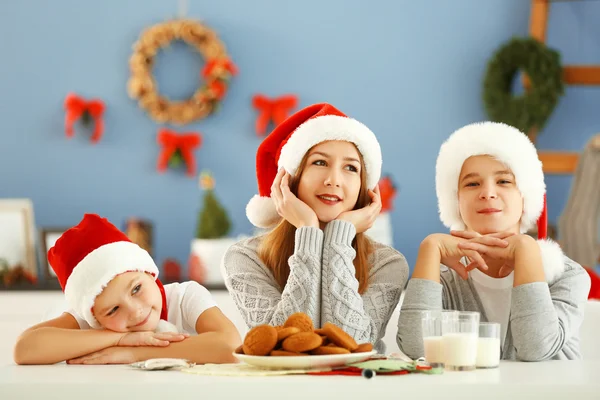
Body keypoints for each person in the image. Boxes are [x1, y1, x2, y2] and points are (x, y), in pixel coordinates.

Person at [396, 122, 591, 361]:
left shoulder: (568, 276)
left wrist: (527, 250)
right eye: (472, 183)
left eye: (504, 181)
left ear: (526, 196)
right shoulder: (442, 280)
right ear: (455, 201)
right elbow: (418, 349)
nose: (487, 193)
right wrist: (429, 249)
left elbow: (536, 349)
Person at [223, 103, 409, 353]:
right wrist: (308, 231)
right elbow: (284, 348)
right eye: (320, 162)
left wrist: (339, 240)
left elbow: (352, 345)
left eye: (351, 168)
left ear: (365, 188)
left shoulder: (387, 264)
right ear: (289, 178)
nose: (333, 180)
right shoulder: (245, 258)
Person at [13, 213, 241, 365]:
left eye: (136, 289)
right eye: (112, 310)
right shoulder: (91, 322)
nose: (133, 311)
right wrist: (116, 339)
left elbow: (230, 345)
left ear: (148, 272)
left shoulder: (185, 297)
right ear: (94, 317)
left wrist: (133, 353)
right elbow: (25, 348)